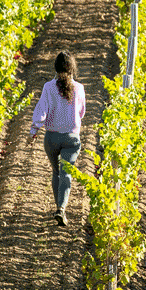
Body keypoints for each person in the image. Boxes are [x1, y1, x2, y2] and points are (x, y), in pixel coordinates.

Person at [29, 50, 86, 226]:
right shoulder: (79, 88)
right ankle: (61, 209)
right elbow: (82, 112)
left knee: (56, 172)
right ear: (73, 69)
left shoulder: (48, 87)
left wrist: (34, 130)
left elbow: (41, 110)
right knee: (66, 173)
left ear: (55, 67)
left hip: (52, 137)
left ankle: (59, 208)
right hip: (71, 138)